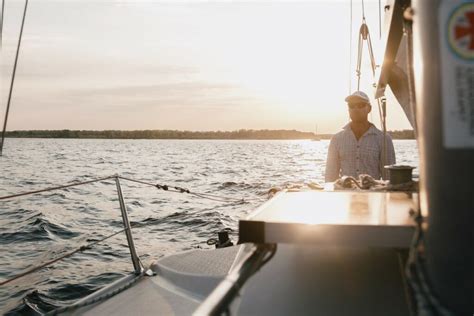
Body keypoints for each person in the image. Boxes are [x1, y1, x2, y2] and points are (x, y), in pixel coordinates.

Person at [325, 91, 396, 182]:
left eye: (361, 105)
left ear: (369, 108)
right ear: (348, 109)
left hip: (373, 194)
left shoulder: (384, 139)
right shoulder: (337, 139)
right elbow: (330, 176)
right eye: (351, 105)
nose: (356, 109)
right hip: (345, 194)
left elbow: (389, 178)